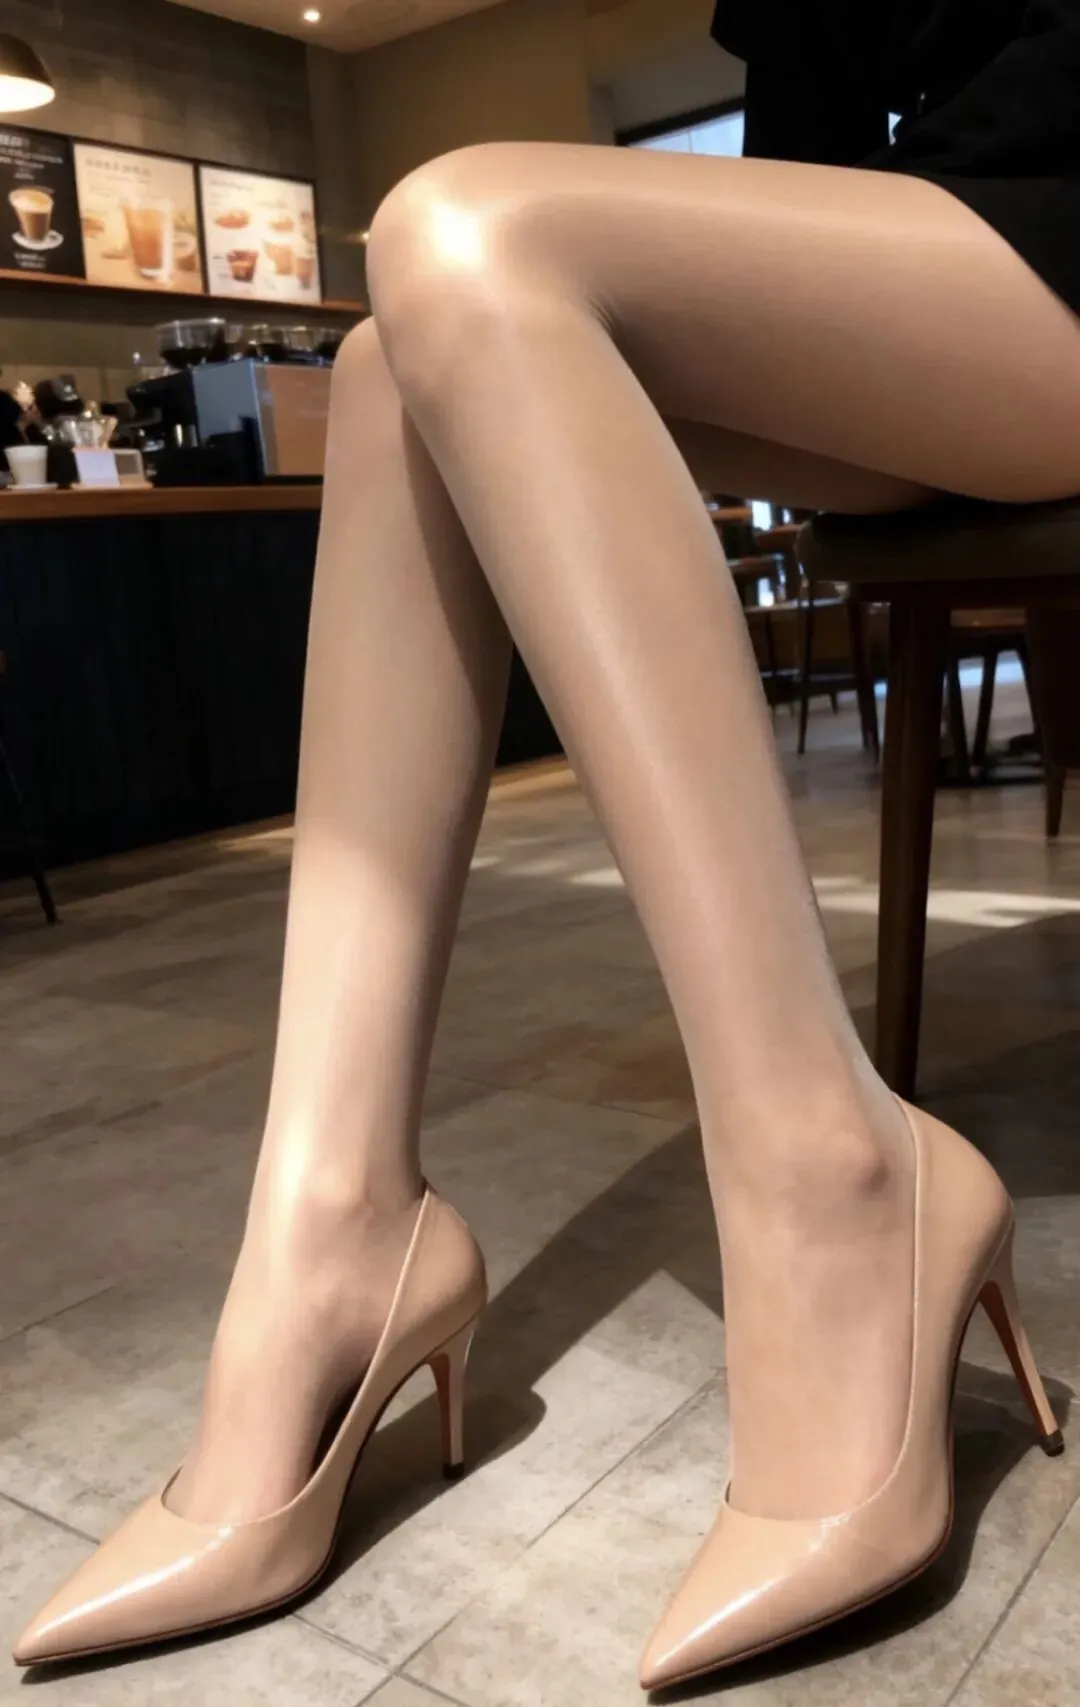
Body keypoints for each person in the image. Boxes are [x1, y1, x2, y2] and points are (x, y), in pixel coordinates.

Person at [14, 0, 1077, 1687]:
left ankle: (834, 1169)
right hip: (942, 265)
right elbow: (809, 115)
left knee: (461, 226)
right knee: (393, 367)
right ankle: (331, 1220)